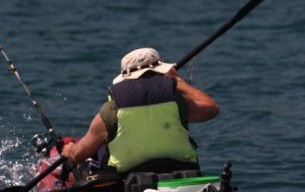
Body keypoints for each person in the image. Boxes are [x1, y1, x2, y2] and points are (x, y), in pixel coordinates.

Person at [61, 47, 219, 174]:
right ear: (163, 73)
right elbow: (212, 108)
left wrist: (69, 150)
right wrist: (178, 82)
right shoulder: (178, 104)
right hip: (181, 173)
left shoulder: (110, 112)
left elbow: (78, 155)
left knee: (101, 148)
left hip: (124, 183)